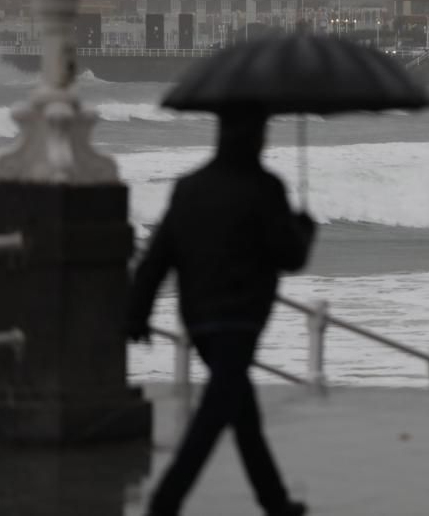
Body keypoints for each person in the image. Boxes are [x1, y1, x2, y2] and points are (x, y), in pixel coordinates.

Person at [126, 109, 316, 516]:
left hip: (199, 320)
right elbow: (291, 256)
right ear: (255, 138)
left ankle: (275, 503)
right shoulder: (265, 188)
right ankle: (165, 503)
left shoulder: (189, 188)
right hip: (243, 319)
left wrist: (137, 312)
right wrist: (305, 229)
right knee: (214, 415)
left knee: (241, 411)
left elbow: (157, 259)